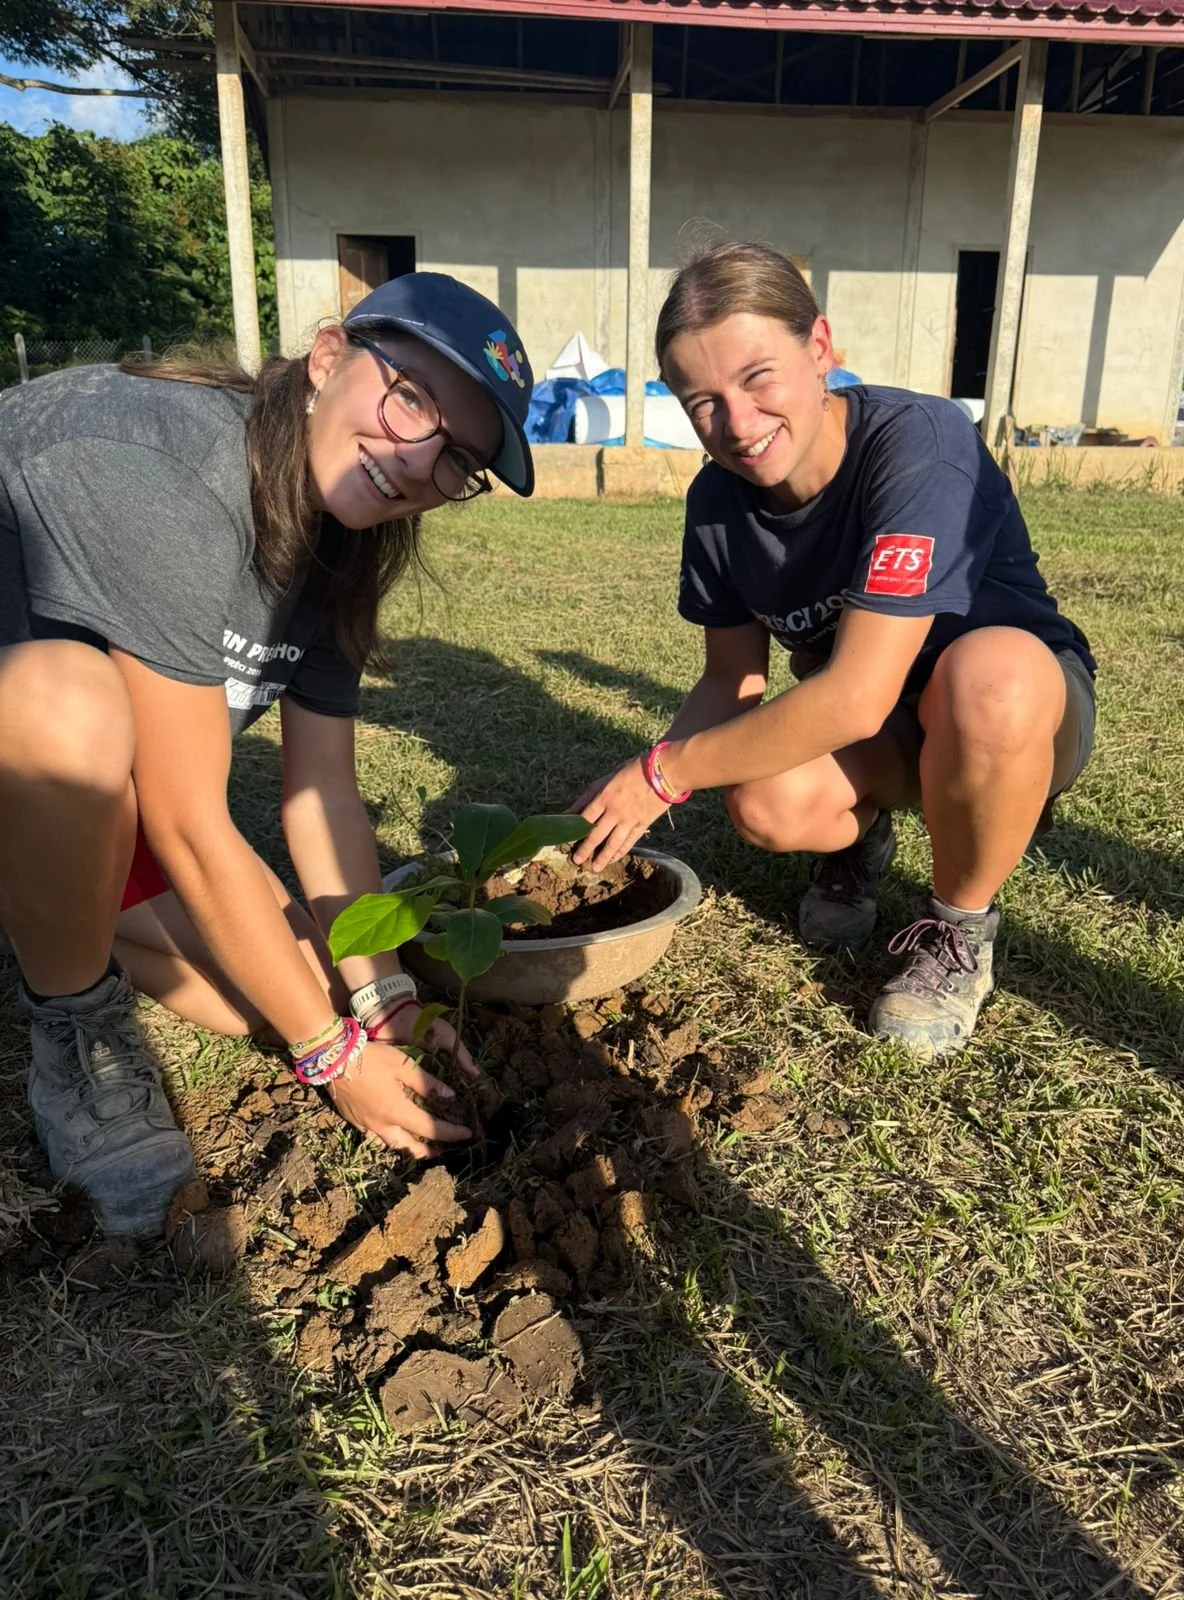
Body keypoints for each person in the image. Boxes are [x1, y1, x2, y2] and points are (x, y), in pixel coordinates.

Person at [0, 272, 535, 1236]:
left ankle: (39, 894)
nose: (419, 461)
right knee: (64, 705)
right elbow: (189, 820)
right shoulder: (159, 472)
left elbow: (322, 795)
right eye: (410, 398)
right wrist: (334, 1058)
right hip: (43, 742)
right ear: (329, 356)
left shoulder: (337, 542)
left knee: (283, 985)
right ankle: (75, 1025)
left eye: (459, 459)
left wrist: (385, 999)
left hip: (77, 796)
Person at [572, 242, 1095, 1061]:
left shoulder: (919, 444)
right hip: (884, 732)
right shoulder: (717, 503)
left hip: (1019, 712)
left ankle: (958, 929)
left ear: (820, 349)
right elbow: (728, 681)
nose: (737, 425)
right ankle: (860, 841)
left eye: (758, 377)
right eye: (700, 400)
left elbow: (852, 693)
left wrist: (663, 776)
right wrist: (636, 785)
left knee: (988, 677)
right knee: (761, 800)